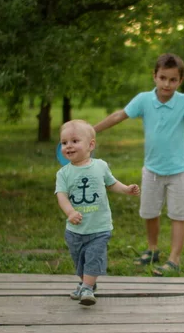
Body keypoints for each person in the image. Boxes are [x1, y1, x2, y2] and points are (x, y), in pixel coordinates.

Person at [93, 53, 184, 276]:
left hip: (178, 171)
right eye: (163, 78)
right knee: (150, 212)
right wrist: (91, 130)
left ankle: (174, 259)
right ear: (154, 76)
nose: (167, 84)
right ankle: (153, 249)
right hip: (151, 170)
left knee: (178, 215)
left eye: (173, 80)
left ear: (180, 81)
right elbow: (117, 116)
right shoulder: (143, 100)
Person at [55, 119, 140, 306]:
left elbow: (111, 183)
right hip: (75, 230)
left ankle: (86, 288)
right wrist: (70, 212)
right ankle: (86, 283)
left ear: (90, 145)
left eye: (74, 141)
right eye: (64, 142)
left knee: (94, 258)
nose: (68, 146)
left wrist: (126, 189)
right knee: (80, 263)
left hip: (99, 227)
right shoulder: (63, 173)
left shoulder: (100, 166)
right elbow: (62, 196)